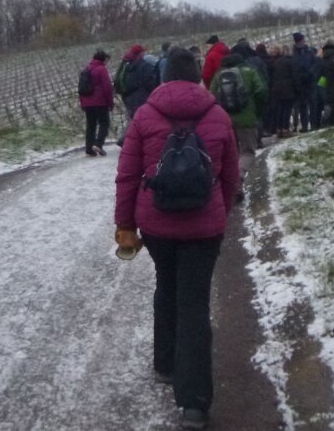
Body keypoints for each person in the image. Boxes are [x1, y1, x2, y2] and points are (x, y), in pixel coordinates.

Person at [114, 48, 241, 430]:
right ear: (198, 76)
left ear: (164, 76)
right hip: (204, 228)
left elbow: (128, 176)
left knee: (166, 286)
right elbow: (230, 176)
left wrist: (125, 224)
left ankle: (166, 362)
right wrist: (221, 213)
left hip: (157, 226)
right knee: (194, 303)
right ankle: (194, 403)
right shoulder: (218, 115)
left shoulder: (144, 116)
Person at [210, 52, 268, 178]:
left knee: (231, 153)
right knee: (248, 152)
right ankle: (240, 176)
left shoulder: (218, 75)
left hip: (225, 120)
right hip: (247, 118)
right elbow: (261, 91)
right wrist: (256, 110)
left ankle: (231, 181)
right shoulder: (249, 71)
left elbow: (211, 95)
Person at [116, 44, 158, 146]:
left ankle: (127, 139)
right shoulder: (144, 65)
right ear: (140, 53)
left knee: (134, 119)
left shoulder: (127, 64)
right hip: (141, 97)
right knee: (143, 119)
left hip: (127, 97)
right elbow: (150, 82)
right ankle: (129, 140)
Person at [79, 49, 115, 156]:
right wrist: (110, 103)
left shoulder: (86, 68)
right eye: (107, 60)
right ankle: (98, 144)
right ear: (104, 59)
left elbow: (81, 88)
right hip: (100, 102)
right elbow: (107, 88)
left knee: (91, 125)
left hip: (87, 103)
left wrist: (82, 103)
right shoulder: (101, 69)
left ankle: (89, 148)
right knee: (104, 123)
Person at [268, 45, 298, 137]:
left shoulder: (276, 62)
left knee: (280, 109)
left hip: (277, 88)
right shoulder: (289, 61)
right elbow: (294, 76)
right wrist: (296, 88)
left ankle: (279, 129)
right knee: (287, 109)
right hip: (288, 88)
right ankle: (285, 129)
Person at [290, 32, 317, 132]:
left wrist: (310, 73)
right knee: (302, 105)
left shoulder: (309, 52)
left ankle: (313, 124)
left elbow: (315, 65)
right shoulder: (294, 54)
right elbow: (294, 68)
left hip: (310, 81)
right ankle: (305, 125)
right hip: (300, 83)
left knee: (312, 103)